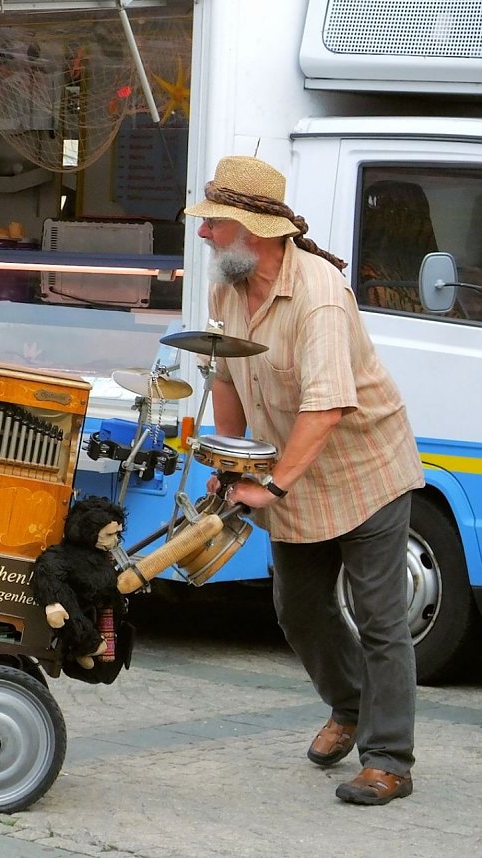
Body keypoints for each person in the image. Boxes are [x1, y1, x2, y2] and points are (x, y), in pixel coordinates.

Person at [184, 155, 424, 806]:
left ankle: (388, 761)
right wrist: (230, 466)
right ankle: (347, 708)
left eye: (214, 225)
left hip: (362, 467)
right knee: (298, 609)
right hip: (292, 467)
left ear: (252, 232)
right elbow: (227, 376)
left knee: (379, 617)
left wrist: (273, 485)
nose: (202, 235)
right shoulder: (226, 290)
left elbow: (326, 405)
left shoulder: (316, 291)